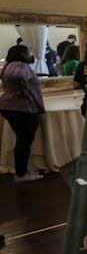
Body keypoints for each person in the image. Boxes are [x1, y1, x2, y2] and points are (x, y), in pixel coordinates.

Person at [0, 45, 45, 182]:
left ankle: (21, 171)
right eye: (29, 52)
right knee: (24, 141)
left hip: (9, 106)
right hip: (23, 108)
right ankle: (21, 174)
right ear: (22, 54)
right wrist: (23, 90)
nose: (31, 54)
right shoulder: (20, 66)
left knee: (21, 140)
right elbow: (19, 76)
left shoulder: (8, 65)